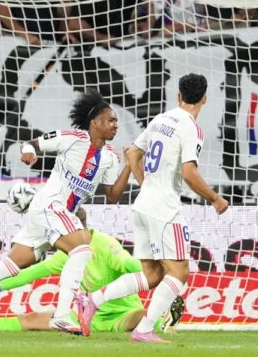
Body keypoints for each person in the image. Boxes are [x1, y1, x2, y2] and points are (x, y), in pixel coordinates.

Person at [0, 90, 131, 335]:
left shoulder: (111, 157)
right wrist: (29, 151)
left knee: (10, 266)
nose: (115, 124)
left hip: (56, 214)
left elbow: (113, 195)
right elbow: (33, 143)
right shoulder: (71, 138)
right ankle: (61, 315)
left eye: (115, 121)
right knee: (81, 249)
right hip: (50, 205)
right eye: (110, 120)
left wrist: (130, 165)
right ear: (95, 123)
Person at [77, 73, 229, 342]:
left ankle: (94, 299)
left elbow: (133, 154)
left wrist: (146, 184)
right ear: (205, 98)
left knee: (151, 273)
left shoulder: (161, 119)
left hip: (143, 204)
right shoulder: (191, 127)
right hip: (164, 207)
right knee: (179, 272)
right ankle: (145, 328)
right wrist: (215, 199)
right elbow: (190, 172)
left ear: (178, 96)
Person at [0, 210, 185, 334]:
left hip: (123, 313)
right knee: (32, 319)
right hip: (88, 317)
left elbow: (136, 267)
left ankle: (162, 320)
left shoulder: (105, 245)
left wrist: (169, 276)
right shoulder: (67, 251)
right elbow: (30, 273)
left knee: (139, 317)